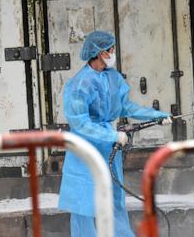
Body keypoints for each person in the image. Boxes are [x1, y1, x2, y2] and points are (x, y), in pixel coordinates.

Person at [58, 30, 172, 236]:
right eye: (111, 50)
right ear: (101, 52)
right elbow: (80, 124)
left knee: (113, 197)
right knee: (84, 204)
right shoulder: (80, 84)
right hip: (84, 149)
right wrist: (112, 136)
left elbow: (126, 107)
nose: (113, 53)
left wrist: (156, 116)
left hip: (107, 147)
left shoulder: (112, 77)